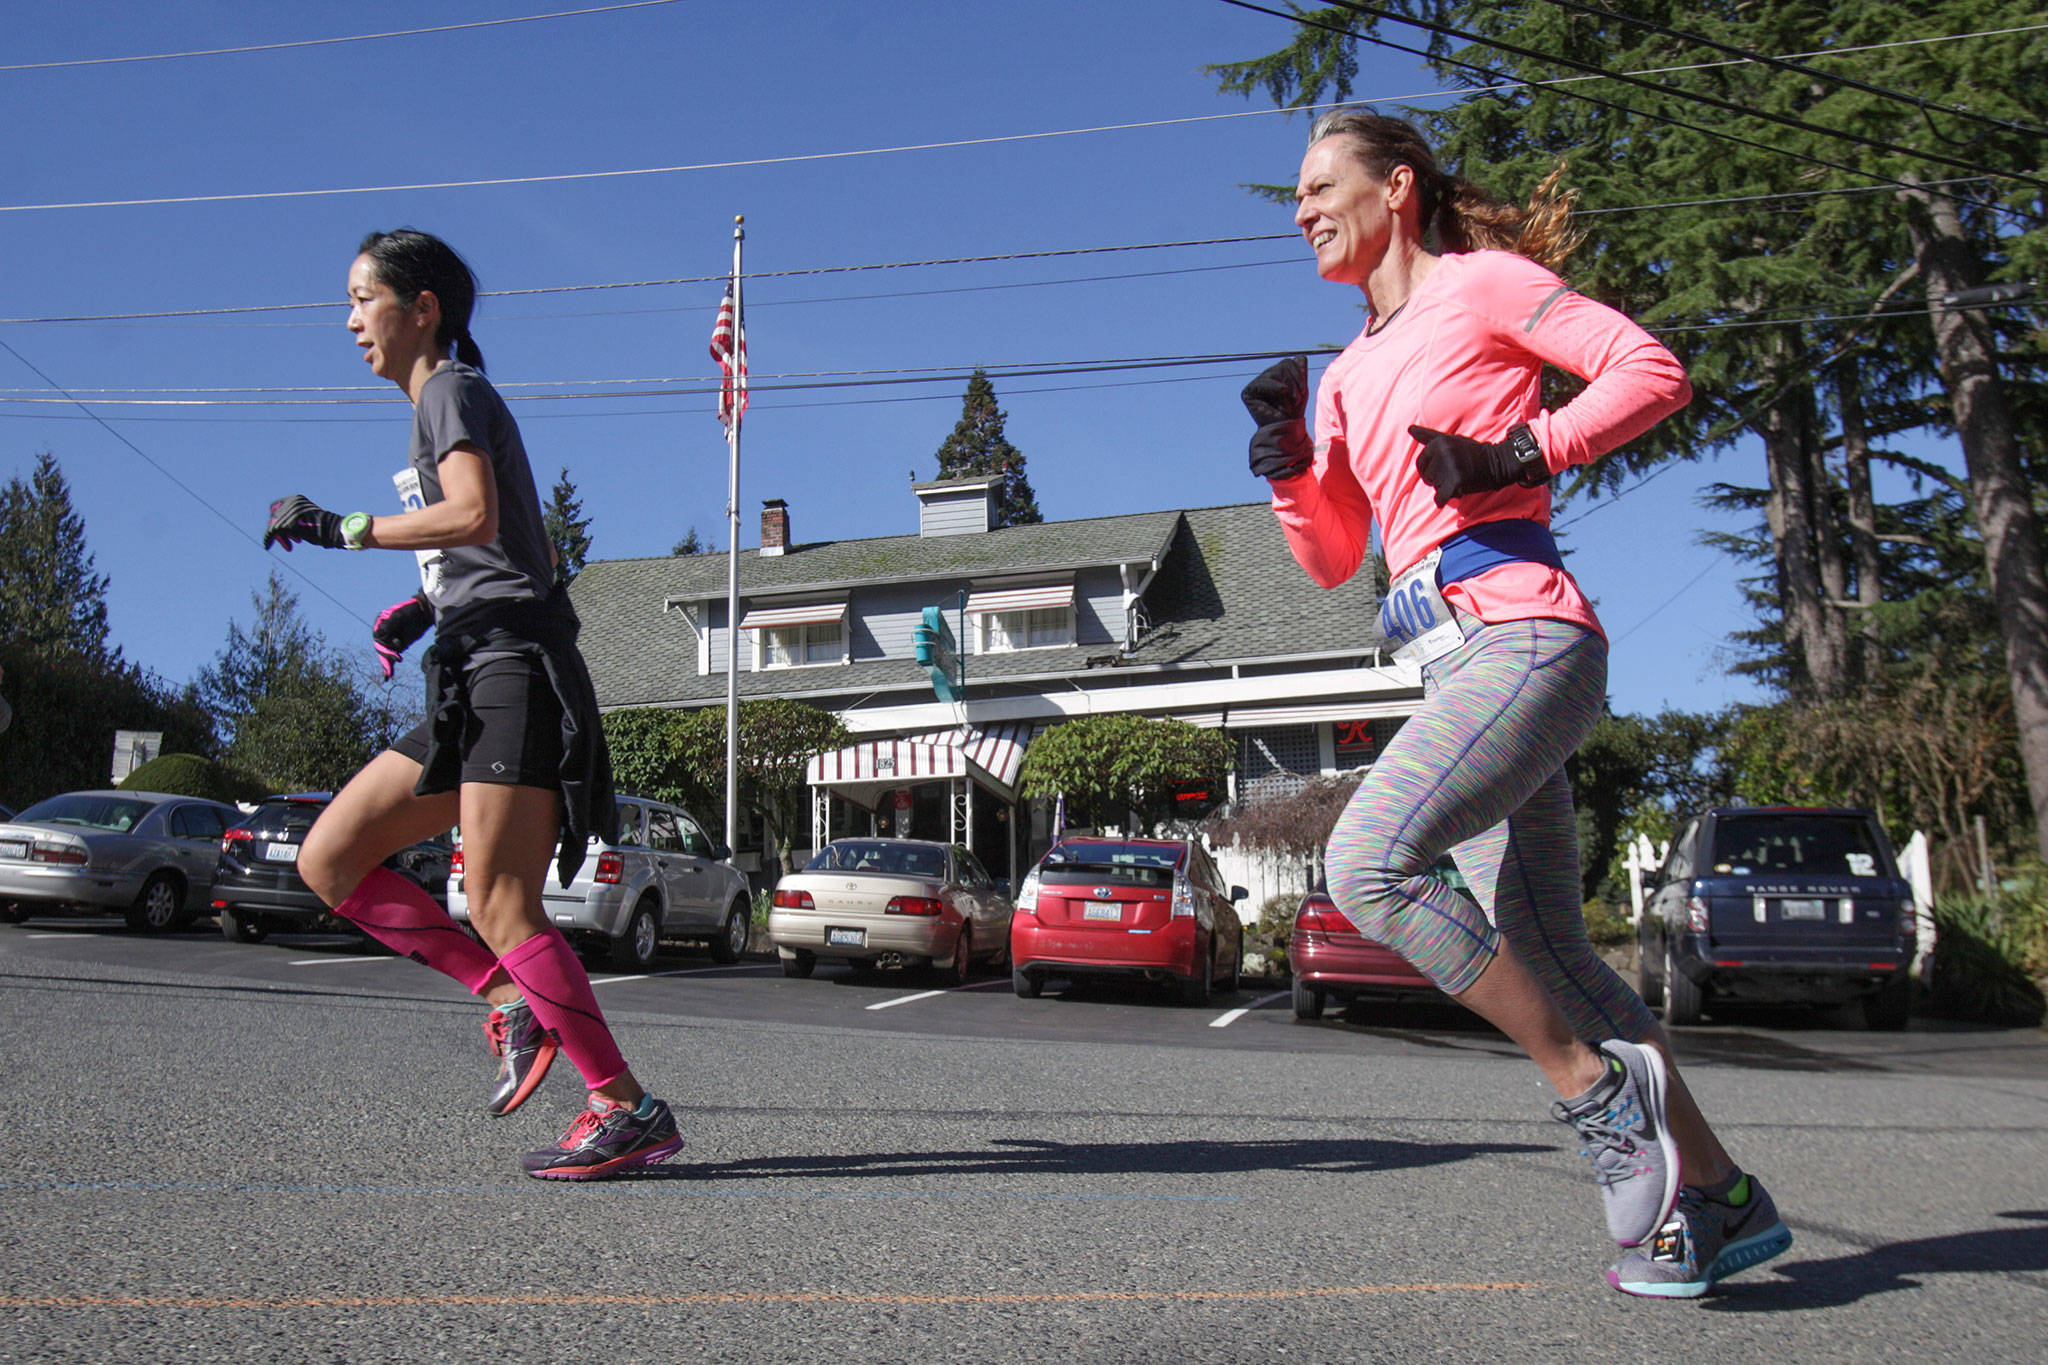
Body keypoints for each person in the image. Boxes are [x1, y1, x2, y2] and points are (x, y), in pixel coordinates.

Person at [1242, 110, 1790, 1297]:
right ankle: (1723, 1199)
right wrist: (1291, 464)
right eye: (1292, 194)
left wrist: (1522, 453)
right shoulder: (1342, 374)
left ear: (1396, 188)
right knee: (1556, 956)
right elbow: (1336, 558)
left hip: (1524, 637)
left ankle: (1587, 1091)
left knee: (1367, 865)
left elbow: (1650, 374)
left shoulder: (1485, 284)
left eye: (1316, 185)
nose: (1298, 209)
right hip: (1450, 663)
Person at [267, 228, 681, 1181]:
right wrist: (421, 606)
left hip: (513, 668)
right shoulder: (440, 401)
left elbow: (473, 515)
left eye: (362, 297)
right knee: (330, 857)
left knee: (499, 897)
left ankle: (625, 1105)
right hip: (470, 666)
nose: (350, 318)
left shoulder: (450, 387)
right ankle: (507, 997)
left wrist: (344, 529)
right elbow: (500, 549)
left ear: (423, 309)